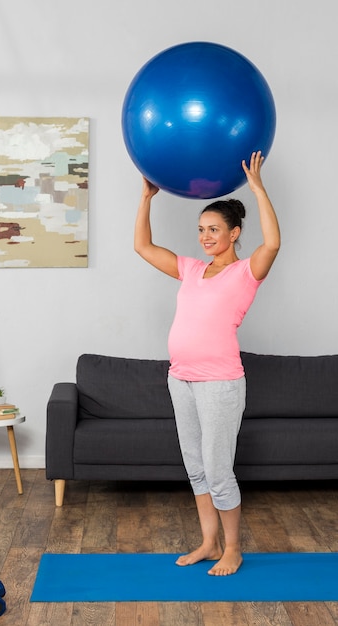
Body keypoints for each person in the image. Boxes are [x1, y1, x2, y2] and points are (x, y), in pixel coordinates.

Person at [134, 151, 280, 576]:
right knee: (196, 469)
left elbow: (272, 243)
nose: (205, 237)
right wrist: (146, 198)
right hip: (181, 379)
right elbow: (142, 246)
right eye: (201, 230)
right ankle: (209, 542)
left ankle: (233, 548)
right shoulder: (192, 269)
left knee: (218, 471)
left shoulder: (247, 273)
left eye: (214, 230)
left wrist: (257, 188)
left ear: (234, 234)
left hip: (220, 384)